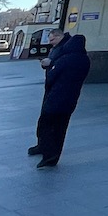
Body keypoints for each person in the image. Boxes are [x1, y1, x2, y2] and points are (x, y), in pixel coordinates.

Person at [33, 33, 90, 168]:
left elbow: (51, 77)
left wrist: (50, 66)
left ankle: (47, 155)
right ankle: (55, 155)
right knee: (61, 128)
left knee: (47, 126)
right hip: (71, 99)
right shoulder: (85, 60)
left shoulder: (65, 59)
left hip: (55, 97)